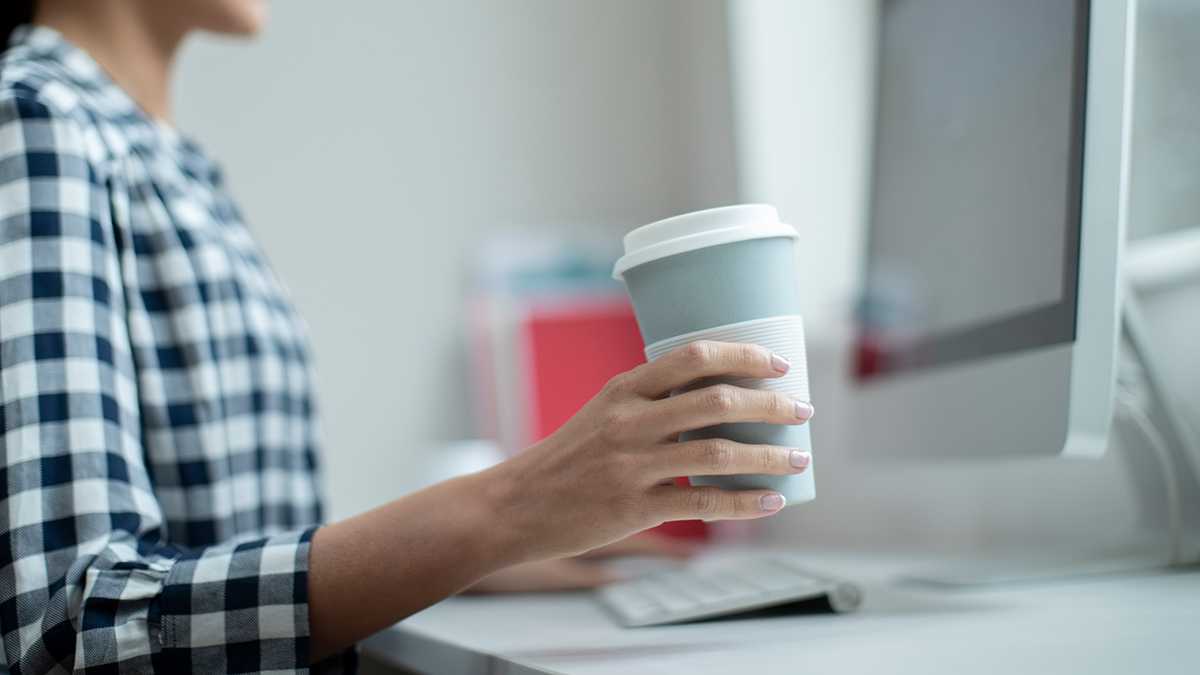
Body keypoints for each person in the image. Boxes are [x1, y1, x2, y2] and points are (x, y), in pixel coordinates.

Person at [0, 0, 814, 672]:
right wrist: (506, 510)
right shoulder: (35, 123)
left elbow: (213, 537)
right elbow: (70, 629)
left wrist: (455, 561)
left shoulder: (159, 159)